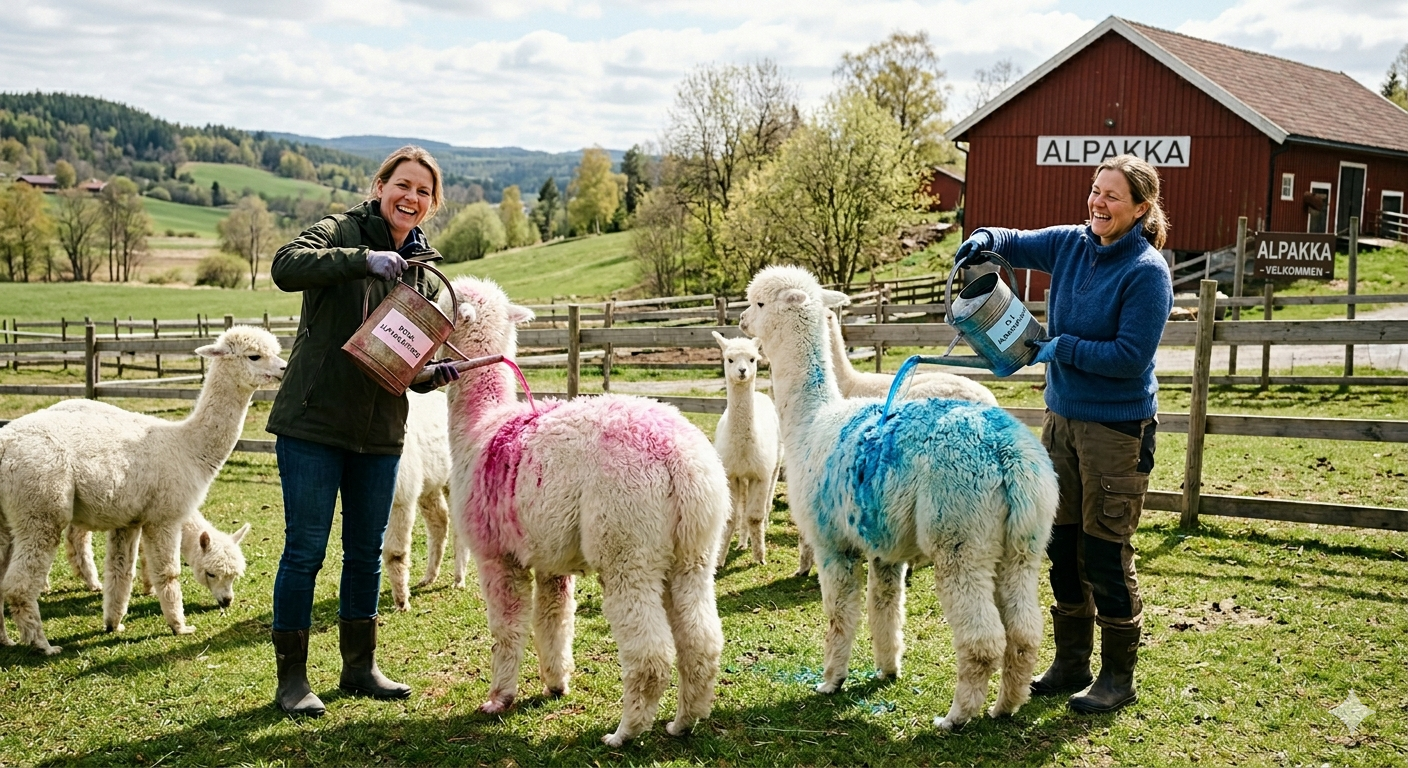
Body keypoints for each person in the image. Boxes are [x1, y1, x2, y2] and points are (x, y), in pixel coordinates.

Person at [953, 154, 1173, 714]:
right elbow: (1014, 241)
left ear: (1141, 208)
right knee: (1062, 546)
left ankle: (1118, 676)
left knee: (1104, 552)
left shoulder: (1147, 273)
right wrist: (983, 239)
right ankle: (1072, 661)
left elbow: (1129, 357)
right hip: (1062, 421)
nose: (1098, 203)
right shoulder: (1071, 244)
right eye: (1095, 191)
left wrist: (1062, 348)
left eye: (1113, 196)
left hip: (1115, 430)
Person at [265, 146, 463, 717]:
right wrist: (362, 259)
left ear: (431, 204)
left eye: (424, 192)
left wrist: (430, 373)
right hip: (314, 421)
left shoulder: (425, 273)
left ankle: (359, 667)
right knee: (305, 550)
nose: (412, 197)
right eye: (403, 185)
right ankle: (292, 679)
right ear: (381, 185)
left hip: (378, 429)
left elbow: (398, 357)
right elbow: (285, 265)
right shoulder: (340, 229)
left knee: (364, 552)